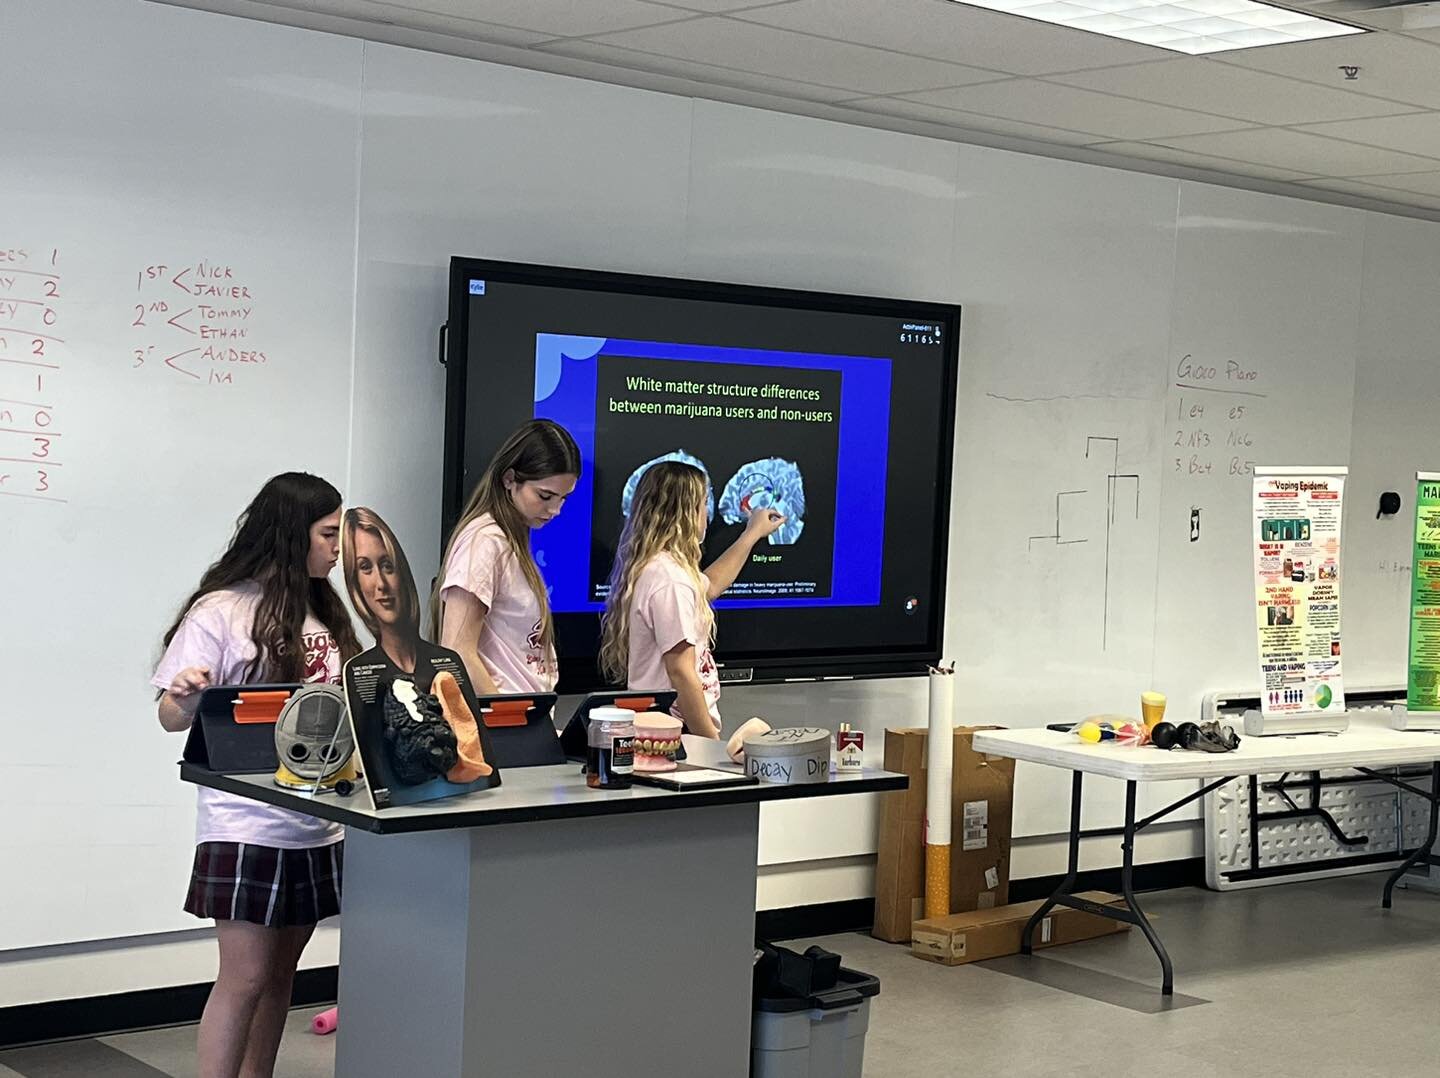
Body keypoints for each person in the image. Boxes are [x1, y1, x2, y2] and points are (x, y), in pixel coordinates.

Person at [153, 473, 361, 1078]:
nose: (338, 548)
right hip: (246, 824)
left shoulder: (323, 608)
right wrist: (187, 693)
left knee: (278, 977)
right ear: (292, 535)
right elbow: (169, 717)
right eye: (328, 534)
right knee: (243, 978)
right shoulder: (220, 611)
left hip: (317, 822)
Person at [598, 460, 783, 738]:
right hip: (674, 732)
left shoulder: (664, 569)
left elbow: (710, 585)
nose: (707, 514)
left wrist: (752, 533)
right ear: (685, 512)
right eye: (703, 504)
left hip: (669, 727)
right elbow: (681, 673)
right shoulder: (669, 580)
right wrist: (710, 742)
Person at [434, 419, 581, 696]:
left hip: (526, 711)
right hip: (503, 716)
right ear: (509, 479)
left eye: (564, 498)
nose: (556, 510)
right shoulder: (485, 542)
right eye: (545, 496)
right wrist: (506, 715)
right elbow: (457, 651)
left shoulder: (509, 540)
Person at [343, 506, 421, 673]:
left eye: (387, 565)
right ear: (355, 583)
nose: (381, 584)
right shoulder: (359, 672)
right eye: (365, 567)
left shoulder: (446, 661)